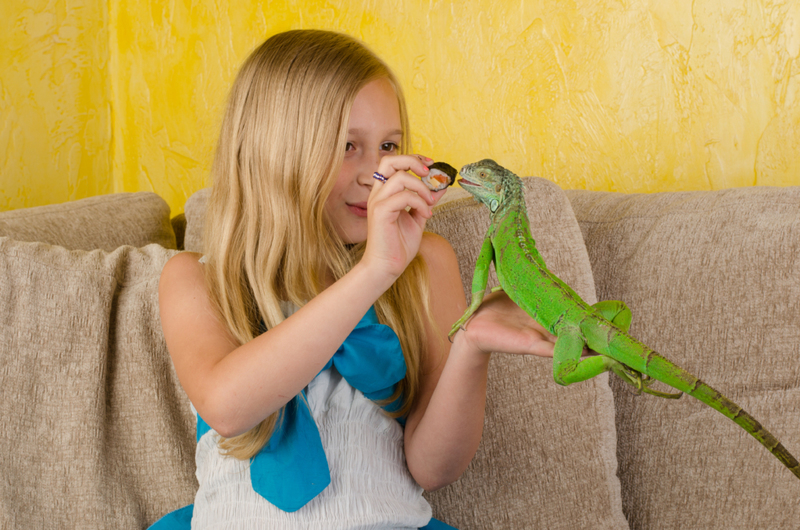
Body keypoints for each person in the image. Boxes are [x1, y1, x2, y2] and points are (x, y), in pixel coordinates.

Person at [154, 29, 556, 529]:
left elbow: (435, 467)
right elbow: (228, 407)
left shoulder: (424, 264)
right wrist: (372, 273)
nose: (376, 173)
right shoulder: (195, 281)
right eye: (349, 146)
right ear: (274, 154)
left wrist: (470, 349)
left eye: (389, 145)